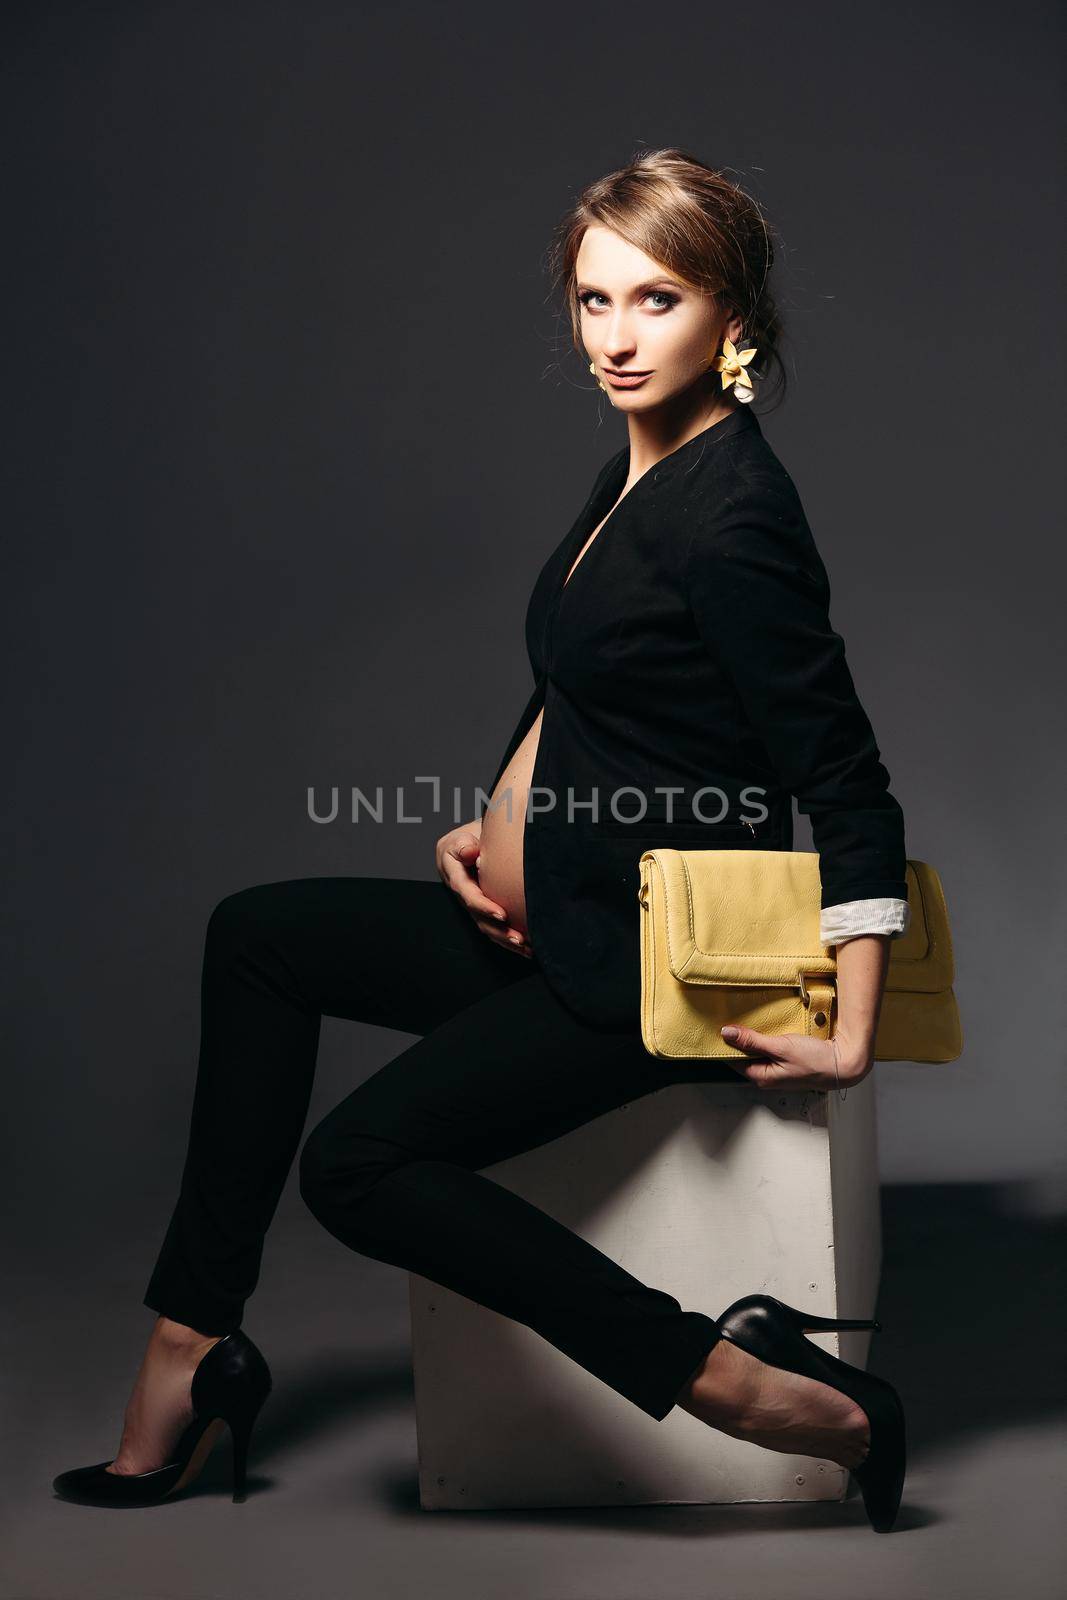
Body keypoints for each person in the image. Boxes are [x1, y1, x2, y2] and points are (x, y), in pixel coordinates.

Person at [53, 148, 911, 1531]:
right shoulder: (647, 470)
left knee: (357, 1166)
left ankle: (736, 1383)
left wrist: (853, 1025)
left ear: (733, 323)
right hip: (558, 918)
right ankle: (193, 1340)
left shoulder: (735, 512)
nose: (618, 340)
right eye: (593, 302)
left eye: (659, 301)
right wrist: (489, 823)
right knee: (256, 939)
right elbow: (594, 678)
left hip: (642, 971)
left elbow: (850, 778)